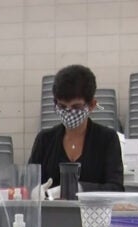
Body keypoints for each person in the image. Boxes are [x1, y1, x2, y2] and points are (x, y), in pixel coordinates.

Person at [28, 64, 124, 192]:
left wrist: (80, 188)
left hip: (93, 211)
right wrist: (34, 192)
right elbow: (29, 183)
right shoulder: (44, 140)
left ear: (92, 105)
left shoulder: (107, 139)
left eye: (76, 107)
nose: (68, 112)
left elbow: (116, 188)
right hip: (52, 211)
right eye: (62, 106)